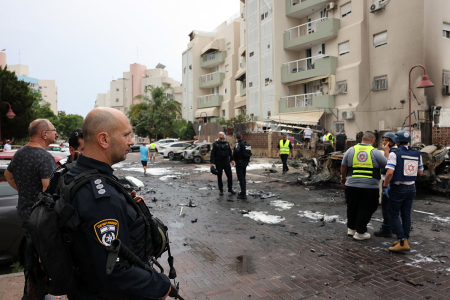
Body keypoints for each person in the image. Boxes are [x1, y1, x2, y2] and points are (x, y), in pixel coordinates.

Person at [64, 107, 171, 299]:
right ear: (104, 139)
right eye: (126, 135)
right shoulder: (101, 198)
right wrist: (161, 286)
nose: (131, 141)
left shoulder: (73, 174)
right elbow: (116, 271)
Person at [4, 119, 58, 298]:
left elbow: (7, 175)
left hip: (25, 214)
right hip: (40, 218)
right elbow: (47, 189)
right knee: (43, 259)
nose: (55, 133)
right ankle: (40, 294)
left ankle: (32, 292)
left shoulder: (19, 153)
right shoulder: (44, 157)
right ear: (44, 134)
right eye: (53, 130)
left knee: (32, 254)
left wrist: (24, 191)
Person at [340, 131, 389, 240]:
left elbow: (343, 165)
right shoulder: (375, 152)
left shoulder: (351, 150)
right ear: (372, 140)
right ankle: (360, 232)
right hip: (369, 187)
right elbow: (387, 165)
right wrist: (386, 152)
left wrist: (343, 177)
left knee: (352, 206)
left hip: (351, 185)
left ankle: (351, 229)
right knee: (367, 207)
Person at [384, 130, 423, 252]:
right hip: (411, 188)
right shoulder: (417, 153)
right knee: (406, 215)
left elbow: (389, 172)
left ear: (397, 141)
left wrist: (385, 186)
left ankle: (402, 242)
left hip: (398, 188)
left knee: (393, 214)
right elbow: (420, 172)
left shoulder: (394, 153)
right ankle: (404, 239)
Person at [374, 132, 397, 238]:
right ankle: (392, 227)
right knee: (391, 207)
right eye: (383, 140)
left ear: (392, 141)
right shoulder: (394, 150)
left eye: (386, 140)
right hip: (390, 181)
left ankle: (387, 229)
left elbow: (389, 167)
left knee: (386, 206)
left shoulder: (392, 152)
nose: (384, 142)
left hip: (389, 182)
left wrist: (386, 152)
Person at [48, 128, 85, 194]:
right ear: (72, 150)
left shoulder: (94, 170)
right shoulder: (60, 175)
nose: (89, 154)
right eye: (84, 149)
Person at [233, 133, 250, 200]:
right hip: (245, 162)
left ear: (236, 137)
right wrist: (247, 161)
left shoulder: (237, 144)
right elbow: (249, 153)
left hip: (239, 163)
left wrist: (234, 158)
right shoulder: (247, 144)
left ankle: (243, 193)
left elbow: (236, 151)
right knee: (243, 177)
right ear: (242, 136)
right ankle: (243, 191)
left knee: (241, 178)